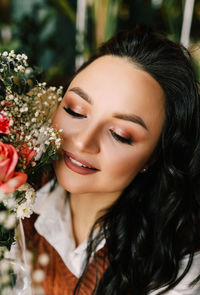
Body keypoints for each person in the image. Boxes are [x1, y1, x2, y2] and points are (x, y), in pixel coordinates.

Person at [24, 25, 200, 295]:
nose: (82, 141)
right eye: (75, 110)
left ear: (152, 157)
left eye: (120, 135)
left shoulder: (176, 269)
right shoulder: (19, 185)